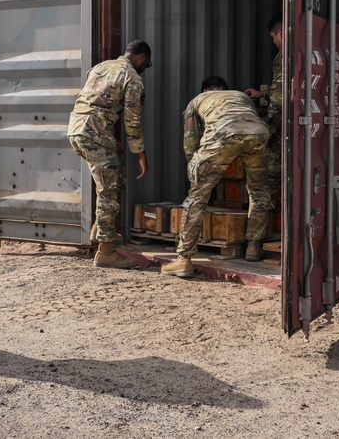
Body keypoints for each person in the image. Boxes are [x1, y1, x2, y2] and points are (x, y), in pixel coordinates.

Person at [161, 77, 275, 277]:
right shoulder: (240, 97)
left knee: (197, 197)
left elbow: (190, 142)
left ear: (204, 91)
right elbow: (247, 124)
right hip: (258, 133)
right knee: (259, 192)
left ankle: (183, 258)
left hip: (222, 135)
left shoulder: (196, 101)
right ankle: (253, 247)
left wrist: (197, 171)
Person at [68, 40, 153, 269]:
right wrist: (141, 154)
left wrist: (110, 139)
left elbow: (95, 102)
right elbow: (132, 121)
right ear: (142, 57)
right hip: (94, 133)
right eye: (147, 63)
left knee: (113, 178)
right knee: (109, 191)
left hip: (77, 129)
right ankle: (106, 251)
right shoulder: (132, 78)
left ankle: (100, 230)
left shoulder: (101, 67)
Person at [245, 14, 283, 248]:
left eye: (272, 37)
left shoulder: (285, 55)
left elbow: (280, 97)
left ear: (279, 33)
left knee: (265, 181)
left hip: (282, 128)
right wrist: (263, 95)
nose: (274, 42)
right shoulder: (306, 52)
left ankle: (255, 245)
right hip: (299, 125)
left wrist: (268, 130)